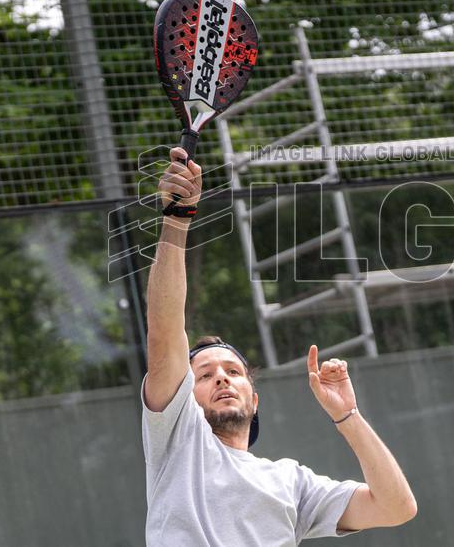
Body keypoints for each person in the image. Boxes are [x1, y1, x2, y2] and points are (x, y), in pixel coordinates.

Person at [141, 147, 417, 545]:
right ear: (184, 396)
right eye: (204, 374)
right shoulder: (178, 440)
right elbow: (165, 331)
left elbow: (396, 507)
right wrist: (176, 219)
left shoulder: (290, 481)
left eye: (234, 372)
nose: (222, 377)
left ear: (255, 400)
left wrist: (348, 416)